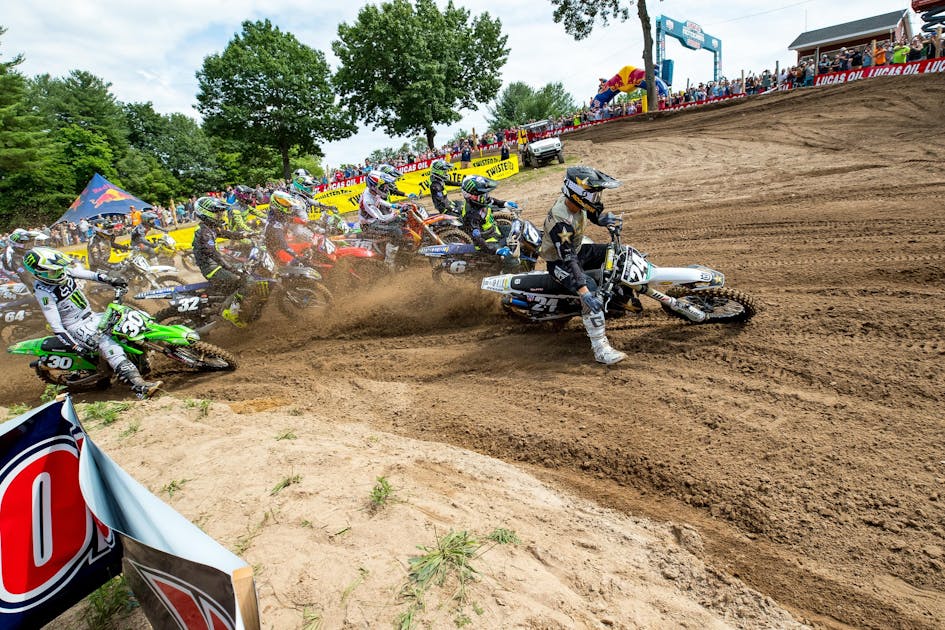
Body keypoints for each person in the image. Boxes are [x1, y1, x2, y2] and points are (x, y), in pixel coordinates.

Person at [21, 246, 162, 397]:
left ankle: (142, 360)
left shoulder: (63, 272)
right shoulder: (44, 292)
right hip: (77, 327)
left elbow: (90, 275)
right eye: (54, 271)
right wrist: (75, 346)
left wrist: (110, 280)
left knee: (133, 317)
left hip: (93, 316)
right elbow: (56, 326)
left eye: (60, 268)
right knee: (109, 346)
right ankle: (140, 387)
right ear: (39, 273)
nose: (60, 272)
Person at [540, 166, 641, 365]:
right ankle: (600, 349)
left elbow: (591, 211)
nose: (597, 199)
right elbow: (568, 258)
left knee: (618, 252)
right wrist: (583, 289)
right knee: (590, 291)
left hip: (577, 251)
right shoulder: (561, 220)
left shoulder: (576, 203)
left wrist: (601, 219)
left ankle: (621, 296)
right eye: (593, 194)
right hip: (560, 262)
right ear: (579, 194)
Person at [191, 196, 253, 327]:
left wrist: (245, 235)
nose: (221, 215)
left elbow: (226, 233)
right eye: (218, 212)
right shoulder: (204, 232)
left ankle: (233, 303)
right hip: (212, 268)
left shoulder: (209, 227)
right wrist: (231, 268)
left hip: (215, 265)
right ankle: (231, 312)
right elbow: (214, 254)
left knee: (247, 270)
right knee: (245, 280)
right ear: (207, 213)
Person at [458, 175, 520, 271]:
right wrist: (497, 250)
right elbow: (478, 241)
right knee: (512, 261)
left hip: (495, 231)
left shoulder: (480, 200)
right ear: (471, 196)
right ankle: (506, 274)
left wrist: (504, 204)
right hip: (487, 242)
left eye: (485, 194)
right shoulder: (472, 215)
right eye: (482, 195)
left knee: (519, 232)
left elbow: (492, 201)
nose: (485, 197)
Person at [358, 170, 405, 269]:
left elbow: (379, 200)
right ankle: (389, 263)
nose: (386, 188)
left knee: (402, 220)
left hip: (375, 219)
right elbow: (382, 219)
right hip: (370, 225)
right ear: (374, 186)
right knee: (396, 232)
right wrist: (399, 211)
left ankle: (403, 251)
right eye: (383, 186)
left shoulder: (372, 191)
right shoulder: (367, 201)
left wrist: (394, 206)